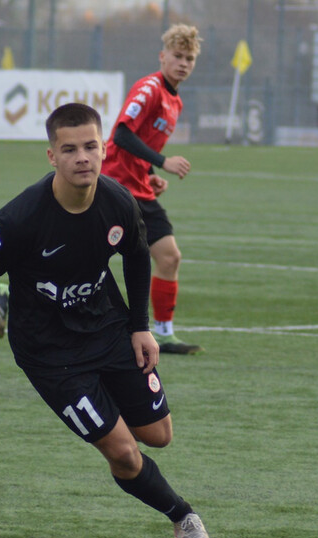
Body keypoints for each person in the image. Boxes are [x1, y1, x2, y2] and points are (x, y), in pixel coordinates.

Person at [0, 102, 211, 538]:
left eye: (91, 147)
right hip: (49, 352)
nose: (82, 157)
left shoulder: (118, 202)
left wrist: (141, 327)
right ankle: (183, 516)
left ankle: (106, 400)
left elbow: (137, 255)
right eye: (70, 148)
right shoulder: (20, 218)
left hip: (108, 327)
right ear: (52, 157)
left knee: (159, 435)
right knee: (123, 451)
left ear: (102, 150)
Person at [101, 24, 204, 355]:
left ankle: (163, 333)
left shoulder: (176, 101)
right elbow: (121, 135)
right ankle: (12, 293)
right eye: (177, 56)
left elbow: (140, 143)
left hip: (139, 188)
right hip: (114, 184)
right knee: (83, 257)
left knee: (169, 256)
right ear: (163, 56)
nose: (183, 63)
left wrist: (149, 172)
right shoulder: (149, 88)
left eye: (189, 58)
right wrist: (162, 162)